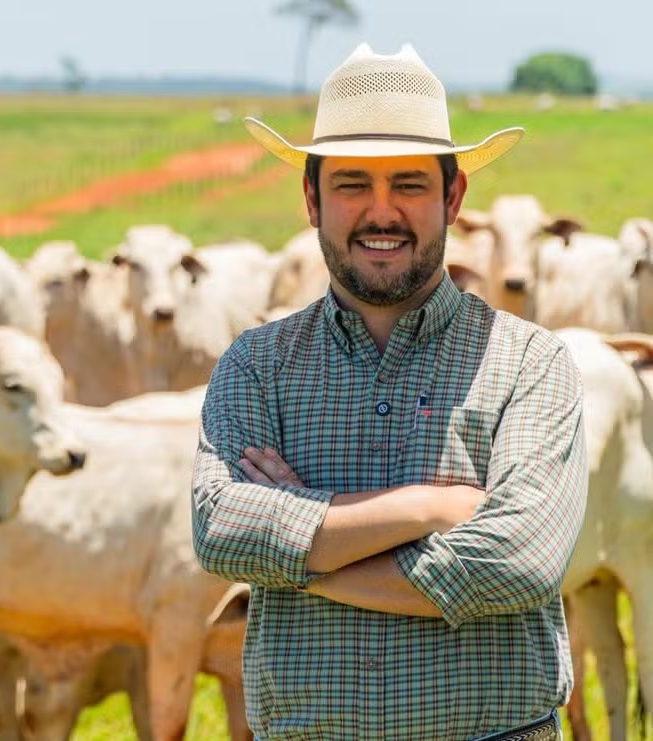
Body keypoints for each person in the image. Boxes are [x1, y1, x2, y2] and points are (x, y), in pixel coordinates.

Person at [191, 43, 587, 741]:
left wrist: (296, 557)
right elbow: (222, 530)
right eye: (351, 185)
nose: (382, 212)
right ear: (311, 199)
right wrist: (426, 506)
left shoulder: (531, 364)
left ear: (453, 197)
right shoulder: (255, 365)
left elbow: (516, 560)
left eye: (408, 184)